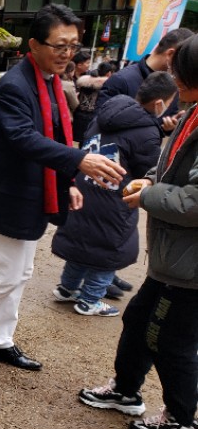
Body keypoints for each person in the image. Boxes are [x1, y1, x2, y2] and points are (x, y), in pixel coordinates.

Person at [0, 4, 125, 373]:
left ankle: (0, 339)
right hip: (11, 196)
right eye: (59, 45)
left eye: (73, 46)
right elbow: (24, 138)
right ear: (34, 44)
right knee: (6, 273)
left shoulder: (48, 81)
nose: (67, 54)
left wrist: (67, 182)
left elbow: (54, 137)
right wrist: (79, 160)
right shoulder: (15, 85)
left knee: (21, 272)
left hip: (35, 191)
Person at [78, 34, 198, 429]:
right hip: (174, 257)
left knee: (171, 339)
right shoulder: (192, 112)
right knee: (139, 319)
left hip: (189, 266)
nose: (173, 79)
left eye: (181, 73)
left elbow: (194, 202)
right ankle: (126, 391)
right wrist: (150, 180)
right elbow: (172, 171)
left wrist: (148, 194)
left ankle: (182, 419)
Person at [51, 71, 176, 317]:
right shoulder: (147, 131)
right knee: (108, 253)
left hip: (84, 189)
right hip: (114, 199)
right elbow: (148, 172)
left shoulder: (105, 113)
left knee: (81, 243)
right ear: (160, 103)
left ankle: (67, 288)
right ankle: (90, 301)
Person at [94, 27, 192, 299]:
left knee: (114, 234)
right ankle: (95, 283)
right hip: (113, 171)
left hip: (131, 175)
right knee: (105, 231)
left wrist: (163, 127)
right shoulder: (123, 80)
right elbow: (103, 122)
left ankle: (104, 274)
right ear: (171, 54)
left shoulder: (175, 91)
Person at [72, 61, 113, 144]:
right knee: (87, 142)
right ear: (108, 73)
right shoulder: (106, 86)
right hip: (92, 116)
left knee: (76, 140)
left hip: (79, 113)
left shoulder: (84, 82)